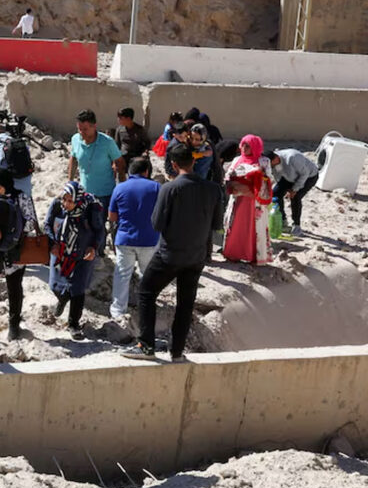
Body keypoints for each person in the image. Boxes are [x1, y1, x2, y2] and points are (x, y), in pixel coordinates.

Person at [122, 143, 223, 362]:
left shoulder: (169, 188)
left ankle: (146, 345)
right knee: (185, 305)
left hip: (170, 255)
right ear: (194, 161)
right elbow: (216, 225)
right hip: (196, 257)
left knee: (146, 292)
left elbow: (156, 223)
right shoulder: (213, 189)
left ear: (174, 165)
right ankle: (177, 352)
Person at [45, 181, 105, 339]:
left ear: (78, 200)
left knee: (78, 289)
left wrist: (93, 247)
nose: (66, 204)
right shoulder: (58, 205)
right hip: (60, 252)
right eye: (65, 199)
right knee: (54, 285)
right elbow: (47, 224)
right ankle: (63, 297)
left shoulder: (90, 209)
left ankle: (74, 324)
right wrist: (53, 242)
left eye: (70, 201)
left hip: (82, 253)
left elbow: (99, 230)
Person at [0, 167, 38, 340]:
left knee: (14, 287)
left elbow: (31, 220)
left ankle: (14, 325)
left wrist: (14, 233)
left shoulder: (22, 196)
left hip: (16, 249)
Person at [107, 158, 160, 319]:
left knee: (122, 275)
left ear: (130, 171)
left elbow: (112, 216)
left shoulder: (119, 188)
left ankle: (118, 311)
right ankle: (147, 306)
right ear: (146, 171)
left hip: (125, 239)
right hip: (149, 239)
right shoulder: (157, 187)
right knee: (148, 275)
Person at [68, 109, 125, 231]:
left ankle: (101, 249)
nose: (81, 132)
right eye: (79, 129)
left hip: (104, 194)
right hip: (84, 193)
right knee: (87, 227)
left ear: (94, 126)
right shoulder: (75, 139)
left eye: (85, 129)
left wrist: (122, 186)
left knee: (100, 227)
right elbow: (73, 159)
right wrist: (70, 182)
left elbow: (120, 162)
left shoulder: (107, 142)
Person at [222, 135, 273, 265]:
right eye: (243, 145)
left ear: (255, 147)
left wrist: (257, 175)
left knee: (254, 228)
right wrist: (234, 180)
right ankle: (233, 254)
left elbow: (269, 179)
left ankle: (253, 256)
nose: (244, 148)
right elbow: (228, 175)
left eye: (248, 145)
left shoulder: (264, 161)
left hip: (254, 201)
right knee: (236, 226)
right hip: (238, 199)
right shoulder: (237, 160)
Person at [265, 148, 319, 236]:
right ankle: (283, 221)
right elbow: (277, 176)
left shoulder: (292, 157)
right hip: (288, 176)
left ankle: (296, 225)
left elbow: (304, 173)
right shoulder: (273, 164)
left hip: (308, 176)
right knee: (275, 194)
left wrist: (294, 189)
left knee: (295, 197)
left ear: (275, 159)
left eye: (269, 164)